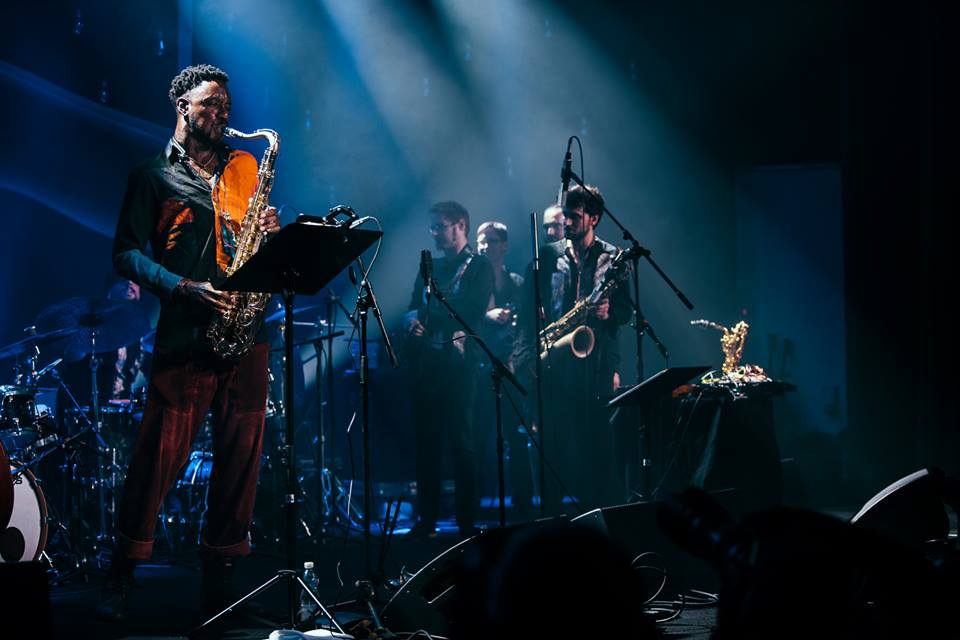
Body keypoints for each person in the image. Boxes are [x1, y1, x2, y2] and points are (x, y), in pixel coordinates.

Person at [97, 63, 280, 620]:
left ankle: (220, 584)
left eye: (226, 105)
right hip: (185, 332)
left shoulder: (246, 164)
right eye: (210, 104)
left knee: (241, 461)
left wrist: (270, 231)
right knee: (157, 458)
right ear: (182, 107)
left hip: (247, 332)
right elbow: (126, 253)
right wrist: (181, 287)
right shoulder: (151, 175)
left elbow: (251, 235)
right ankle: (122, 575)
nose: (223, 113)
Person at [513, 185, 632, 514]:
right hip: (553, 364)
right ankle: (553, 525)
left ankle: (602, 521)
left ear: (594, 218)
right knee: (553, 450)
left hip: (597, 365)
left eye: (574, 216)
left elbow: (627, 311)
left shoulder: (615, 258)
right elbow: (526, 313)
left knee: (598, 449)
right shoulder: (546, 256)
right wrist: (525, 359)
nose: (566, 221)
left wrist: (611, 313)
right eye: (564, 214)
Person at [404, 201, 494, 538]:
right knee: (427, 443)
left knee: (462, 443)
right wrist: (413, 320)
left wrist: (427, 314)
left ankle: (467, 522)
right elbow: (414, 304)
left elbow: (470, 309)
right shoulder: (429, 266)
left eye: (440, 226)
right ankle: (426, 519)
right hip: (428, 365)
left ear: (460, 226)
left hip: (460, 367)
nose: (435, 233)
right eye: (433, 227)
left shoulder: (480, 266)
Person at [474, 220, 534, 520]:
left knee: (516, 437)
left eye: (492, 241)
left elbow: (526, 326)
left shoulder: (517, 282)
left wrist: (517, 358)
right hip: (479, 370)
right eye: (481, 241)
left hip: (510, 368)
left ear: (504, 245)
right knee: (477, 439)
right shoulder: (472, 279)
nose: (485, 246)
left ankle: (523, 506)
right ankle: (473, 511)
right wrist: (486, 315)